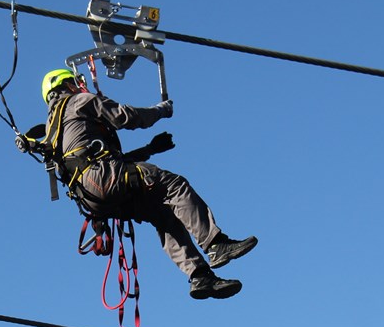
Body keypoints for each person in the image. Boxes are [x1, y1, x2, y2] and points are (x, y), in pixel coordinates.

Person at [18, 68, 256, 300]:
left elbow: (106, 166)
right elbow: (126, 117)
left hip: (94, 195)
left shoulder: (54, 129)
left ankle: (200, 276)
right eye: (75, 83)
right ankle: (215, 243)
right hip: (102, 177)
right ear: (67, 85)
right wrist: (160, 111)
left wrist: (149, 150)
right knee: (172, 184)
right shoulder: (79, 101)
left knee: (162, 211)